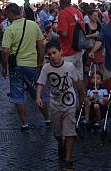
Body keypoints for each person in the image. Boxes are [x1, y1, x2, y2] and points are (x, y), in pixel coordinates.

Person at [36, 40, 87, 171]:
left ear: (61, 52)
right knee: (57, 132)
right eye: (49, 54)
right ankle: (61, 144)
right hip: (55, 104)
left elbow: (79, 82)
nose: (52, 56)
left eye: (54, 53)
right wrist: (38, 97)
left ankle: (68, 159)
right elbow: (41, 83)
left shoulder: (69, 66)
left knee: (69, 131)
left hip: (69, 103)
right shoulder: (46, 68)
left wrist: (83, 97)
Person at [1, 2, 46, 131]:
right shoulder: (33, 25)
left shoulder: (9, 30)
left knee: (18, 95)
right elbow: (41, 45)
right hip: (32, 65)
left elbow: (5, 51)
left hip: (16, 67)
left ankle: (25, 124)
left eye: (6, 14)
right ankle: (47, 119)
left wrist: (4, 67)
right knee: (37, 93)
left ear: (10, 14)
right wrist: (40, 61)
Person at [57, 0, 85, 80]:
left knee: (65, 81)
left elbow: (64, 33)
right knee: (79, 79)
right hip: (79, 50)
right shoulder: (78, 12)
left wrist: (57, 30)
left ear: (60, 2)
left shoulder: (63, 13)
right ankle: (81, 94)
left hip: (67, 52)